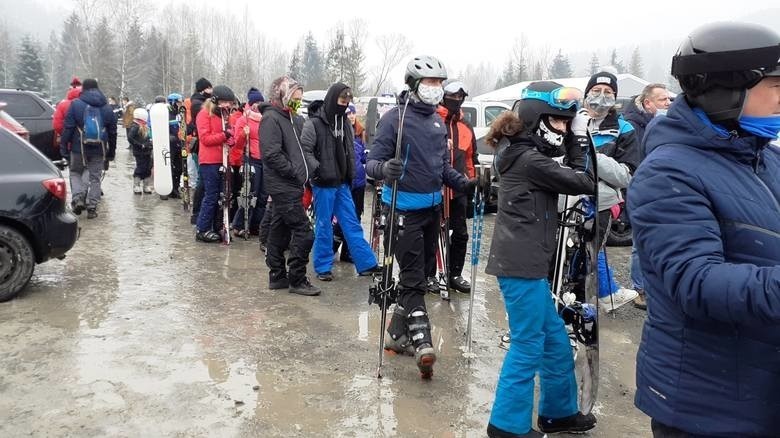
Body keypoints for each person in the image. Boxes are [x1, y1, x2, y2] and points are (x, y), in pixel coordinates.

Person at [629, 22, 780, 438]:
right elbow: (696, 282)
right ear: (728, 88)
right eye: (775, 83)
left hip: (762, 392)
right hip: (710, 407)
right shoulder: (668, 172)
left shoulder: (766, 159)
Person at [483, 81, 597, 438]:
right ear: (535, 120)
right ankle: (506, 426)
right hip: (521, 267)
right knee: (528, 344)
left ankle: (557, 413)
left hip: (527, 264)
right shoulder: (529, 159)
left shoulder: (521, 152)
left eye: (567, 123)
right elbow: (584, 181)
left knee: (554, 341)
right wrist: (580, 139)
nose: (563, 129)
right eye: (559, 122)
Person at [366, 55, 475, 377]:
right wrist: (385, 169)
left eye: (439, 83)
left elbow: (441, 167)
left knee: (422, 276)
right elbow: (372, 163)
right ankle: (422, 339)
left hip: (432, 212)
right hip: (402, 211)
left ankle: (396, 335)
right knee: (413, 278)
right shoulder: (394, 119)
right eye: (430, 83)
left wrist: (465, 184)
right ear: (414, 85)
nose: (436, 89)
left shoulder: (437, 121)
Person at [301, 82, 379, 281]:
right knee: (324, 225)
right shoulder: (314, 123)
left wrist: (351, 174)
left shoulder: (344, 122)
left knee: (351, 223)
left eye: (347, 101)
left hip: (342, 183)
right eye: (342, 100)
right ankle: (323, 266)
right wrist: (317, 171)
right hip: (323, 183)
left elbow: (350, 151)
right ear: (333, 98)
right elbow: (305, 150)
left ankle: (366, 263)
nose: (345, 104)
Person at [582, 71, 640, 312]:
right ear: (586, 94)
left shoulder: (624, 129)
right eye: (596, 91)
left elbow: (627, 175)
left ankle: (606, 293)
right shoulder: (572, 120)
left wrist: (591, 157)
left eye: (608, 93)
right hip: (568, 197)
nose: (602, 97)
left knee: (593, 247)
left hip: (601, 202)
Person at [259, 76, 321, 296]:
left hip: (293, 184)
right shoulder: (271, 119)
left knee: (278, 231)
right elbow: (271, 154)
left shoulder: (292, 118)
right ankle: (297, 278)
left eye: (300, 98)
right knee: (305, 233)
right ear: (282, 95)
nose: (298, 102)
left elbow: (300, 150)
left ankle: (277, 275)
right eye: (295, 97)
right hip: (283, 185)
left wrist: (309, 170)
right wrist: (294, 172)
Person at [622, 83, 671, 310]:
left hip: (662, 188)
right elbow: (637, 162)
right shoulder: (633, 126)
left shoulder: (661, 124)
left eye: (669, 100)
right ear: (648, 102)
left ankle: (653, 286)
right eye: (663, 100)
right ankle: (640, 290)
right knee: (640, 243)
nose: (668, 104)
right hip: (644, 189)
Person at [432, 79, 478, 294]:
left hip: (458, 188)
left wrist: (471, 186)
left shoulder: (465, 126)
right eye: (452, 96)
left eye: (460, 97)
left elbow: (470, 159)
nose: (456, 100)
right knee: (432, 233)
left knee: (460, 234)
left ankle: (455, 273)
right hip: (434, 187)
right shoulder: (432, 119)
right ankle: (429, 274)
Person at [59, 78, 117, 219]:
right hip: (99, 148)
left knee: (75, 172)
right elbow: (113, 132)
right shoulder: (107, 107)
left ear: (83, 89)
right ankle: (92, 208)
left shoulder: (76, 105)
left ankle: (78, 198)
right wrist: (111, 152)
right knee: (95, 178)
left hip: (78, 147)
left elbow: (68, 127)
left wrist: (64, 146)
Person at [194, 85, 236, 243]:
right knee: (211, 195)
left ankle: (219, 225)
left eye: (229, 103)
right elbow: (205, 139)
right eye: (224, 102)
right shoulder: (204, 115)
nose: (227, 106)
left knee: (223, 196)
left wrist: (231, 139)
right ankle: (202, 228)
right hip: (209, 161)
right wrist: (224, 135)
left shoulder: (225, 117)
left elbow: (228, 136)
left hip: (223, 160)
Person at [332, 103, 367, 263]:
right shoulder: (339, 133)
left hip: (359, 183)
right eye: (348, 114)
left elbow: (365, 157)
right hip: (345, 182)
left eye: (353, 113)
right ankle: (331, 248)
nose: (351, 116)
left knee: (356, 217)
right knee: (341, 217)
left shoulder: (361, 133)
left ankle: (348, 251)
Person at [231, 87, 266, 238]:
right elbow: (237, 145)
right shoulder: (243, 119)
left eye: (260, 102)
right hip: (250, 159)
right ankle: (239, 224)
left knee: (263, 195)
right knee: (250, 193)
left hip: (265, 160)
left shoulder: (266, 119)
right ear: (250, 103)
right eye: (255, 102)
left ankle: (256, 225)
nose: (257, 105)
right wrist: (242, 135)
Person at [188, 77, 214, 224]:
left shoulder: (199, 102)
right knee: (201, 180)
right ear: (204, 89)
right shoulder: (198, 104)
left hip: (200, 145)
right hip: (200, 146)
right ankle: (197, 212)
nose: (211, 91)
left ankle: (198, 212)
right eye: (209, 88)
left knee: (201, 180)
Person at [127, 107, 153, 194]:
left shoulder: (144, 126)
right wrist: (139, 145)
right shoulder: (135, 126)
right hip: (140, 151)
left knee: (148, 167)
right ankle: (137, 185)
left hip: (147, 150)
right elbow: (130, 137)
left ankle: (146, 185)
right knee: (141, 167)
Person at [167, 93, 185, 199]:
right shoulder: (167, 113)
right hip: (171, 144)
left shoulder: (181, 113)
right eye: (178, 102)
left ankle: (176, 187)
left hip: (180, 144)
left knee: (179, 168)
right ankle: (169, 188)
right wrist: (169, 136)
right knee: (171, 167)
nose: (180, 104)